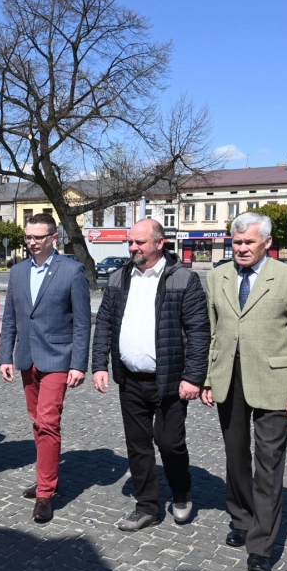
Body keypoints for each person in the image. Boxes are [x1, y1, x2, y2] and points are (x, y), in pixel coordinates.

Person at [200, 212, 287, 571]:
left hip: (274, 383)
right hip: (228, 379)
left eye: (248, 242)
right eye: (236, 242)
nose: (241, 248)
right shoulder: (217, 276)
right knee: (235, 456)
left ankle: (261, 546)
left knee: (268, 464)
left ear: (267, 242)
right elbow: (212, 333)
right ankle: (241, 517)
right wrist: (208, 379)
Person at [91, 219, 210, 532]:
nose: (133, 248)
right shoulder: (119, 277)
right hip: (130, 379)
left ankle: (181, 491)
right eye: (130, 242)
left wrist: (194, 377)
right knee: (138, 445)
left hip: (169, 381)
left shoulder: (183, 278)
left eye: (139, 242)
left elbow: (199, 331)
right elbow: (104, 323)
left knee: (170, 443)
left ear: (160, 243)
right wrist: (99, 364)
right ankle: (147, 506)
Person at [0, 213, 90, 523]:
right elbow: (10, 318)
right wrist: (5, 356)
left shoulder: (72, 271)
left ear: (53, 238)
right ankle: (46, 477)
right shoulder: (18, 272)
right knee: (37, 422)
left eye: (38, 237)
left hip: (58, 358)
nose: (32, 242)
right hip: (27, 358)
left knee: (49, 422)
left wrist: (79, 364)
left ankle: (45, 493)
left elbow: (82, 323)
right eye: (29, 237)